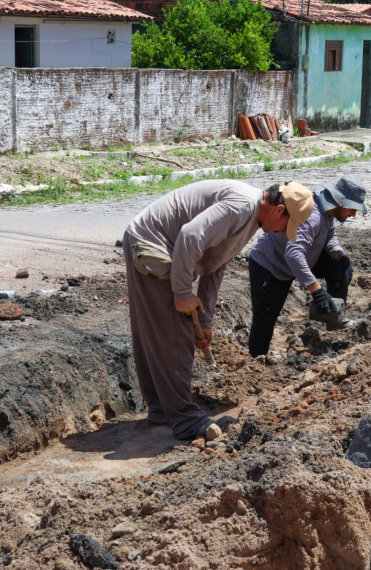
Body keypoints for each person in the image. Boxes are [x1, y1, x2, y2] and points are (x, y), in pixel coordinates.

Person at [124, 179, 314, 440]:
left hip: (149, 239)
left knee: (158, 330)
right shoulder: (242, 206)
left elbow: (215, 263)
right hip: (151, 242)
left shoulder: (252, 217)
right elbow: (190, 235)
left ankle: (162, 408)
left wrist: (205, 321)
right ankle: (185, 419)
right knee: (174, 330)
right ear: (279, 211)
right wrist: (182, 293)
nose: (280, 234)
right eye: (285, 228)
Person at [247, 177, 368, 358]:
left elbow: (329, 233)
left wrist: (338, 254)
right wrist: (316, 291)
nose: (353, 214)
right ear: (341, 202)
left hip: (300, 258)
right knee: (265, 319)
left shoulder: (329, 212)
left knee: (341, 267)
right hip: (271, 265)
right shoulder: (313, 215)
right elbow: (293, 253)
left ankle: (332, 316)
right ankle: (256, 363)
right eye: (353, 209)